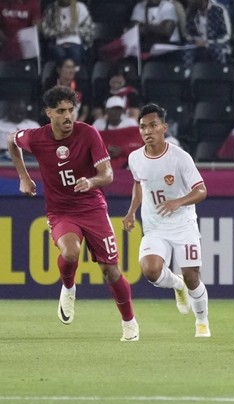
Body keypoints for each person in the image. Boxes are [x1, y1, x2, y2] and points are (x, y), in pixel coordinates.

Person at [6, 85, 139, 341]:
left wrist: (91, 182)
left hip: (93, 208)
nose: (67, 116)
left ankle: (129, 323)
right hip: (61, 210)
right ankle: (68, 287)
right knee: (70, 252)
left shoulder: (88, 133)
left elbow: (108, 175)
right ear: (49, 113)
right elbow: (12, 139)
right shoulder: (36, 137)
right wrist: (24, 177)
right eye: (61, 111)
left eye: (71, 110)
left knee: (110, 270)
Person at [123, 103, 211, 338]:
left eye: (153, 126)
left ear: (164, 127)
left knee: (193, 276)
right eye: (143, 127)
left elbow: (201, 191)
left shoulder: (180, 157)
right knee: (151, 271)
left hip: (184, 226)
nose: (147, 131)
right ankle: (177, 285)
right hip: (155, 228)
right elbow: (139, 183)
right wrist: (132, 211)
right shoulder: (135, 158)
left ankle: (202, 321)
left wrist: (178, 201)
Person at [40, 0, 95, 65]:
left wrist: (73, 31)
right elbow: (45, 30)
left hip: (77, 43)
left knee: (74, 52)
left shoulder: (80, 7)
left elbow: (89, 30)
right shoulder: (51, 9)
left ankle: (75, 73)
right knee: (59, 53)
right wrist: (59, 32)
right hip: (56, 42)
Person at [183, 0, 232, 65]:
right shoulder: (191, 11)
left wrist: (208, 42)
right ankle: (188, 73)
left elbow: (227, 35)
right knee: (186, 52)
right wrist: (196, 41)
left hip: (217, 43)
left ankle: (219, 73)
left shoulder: (220, 10)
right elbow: (187, 34)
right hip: (196, 43)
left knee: (218, 52)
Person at [43, 57, 90, 123]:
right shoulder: (50, 85)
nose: (72, 71)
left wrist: (77, 125)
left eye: (73, 67)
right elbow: (45, 109)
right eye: (68, 67)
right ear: (59, 70)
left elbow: (85, 112)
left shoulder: (81, 85)